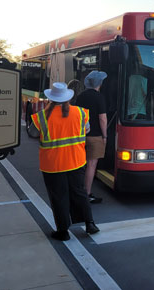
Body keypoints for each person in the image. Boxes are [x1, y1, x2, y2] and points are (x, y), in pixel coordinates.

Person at [30, 82, 99, 241]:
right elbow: (86, 129)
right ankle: (90, 224)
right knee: (79, 192)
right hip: (76, 161)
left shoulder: (42, 116)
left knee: (59, 197)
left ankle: (63, 231)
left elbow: (33, 134)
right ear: (68, 98)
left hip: (53, 165)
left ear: (50, 99)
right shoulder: (81, 113)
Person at [75, 70, 108, 203]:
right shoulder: (99, 97)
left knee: (80, 164)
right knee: (91, 165)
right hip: (95, 136)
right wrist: (105, 136)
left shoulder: (81, 96)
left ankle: (77, 191)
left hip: (81, 135)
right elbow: (103, 119)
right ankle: (87, 194)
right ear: (99, 83)